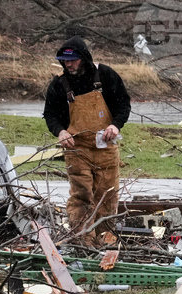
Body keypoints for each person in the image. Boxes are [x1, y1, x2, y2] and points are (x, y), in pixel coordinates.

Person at [43, 36, 131, 246]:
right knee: (81, 196)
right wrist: (61, 132)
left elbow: (123, 104)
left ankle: (104, 242)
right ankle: (83, 242)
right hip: (76, 148)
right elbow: (50, 114)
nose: (68, 65)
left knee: (107, 196)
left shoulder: (105, 75)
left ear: (83, 57)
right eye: (65, 61)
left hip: (105, 147)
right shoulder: (59, 83)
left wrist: (115, 125)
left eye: (72, 60)